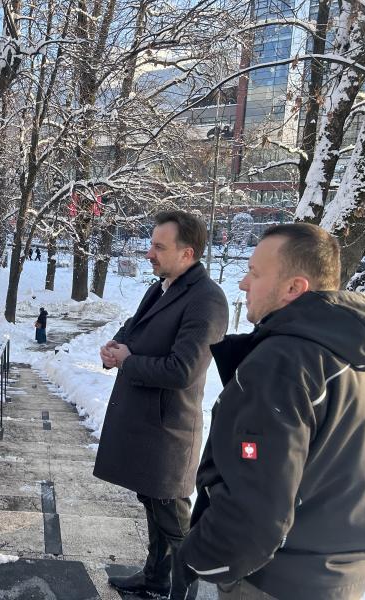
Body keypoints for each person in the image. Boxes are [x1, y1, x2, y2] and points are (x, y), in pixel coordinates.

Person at [177, 224, 365, 600]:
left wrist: (197, 557)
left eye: (255, 273)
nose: (244, 283)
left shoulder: (283, 364)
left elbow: (256, 512)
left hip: (271, 581)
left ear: (293, 288)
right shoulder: (352, 353)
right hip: (341, 577)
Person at [96, 210, 228, 600]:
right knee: (152, 505)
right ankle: (156, 579)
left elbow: (182, 370)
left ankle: (191, 592)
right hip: (144, 425)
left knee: (173, 519)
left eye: (158, 246)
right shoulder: (162, 287)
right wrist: (115, 347)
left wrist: (128, 361)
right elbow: (136, 329)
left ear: (187, 253)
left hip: (169, 431)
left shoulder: (207, 300)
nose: (149, 253)